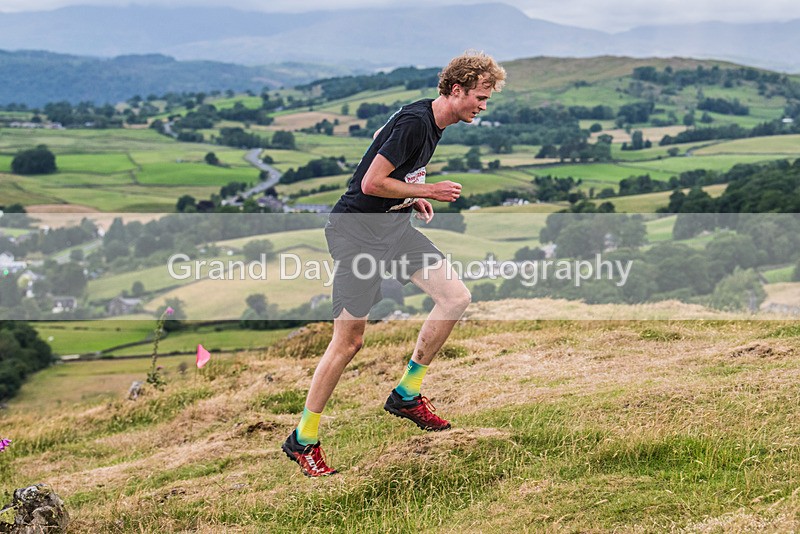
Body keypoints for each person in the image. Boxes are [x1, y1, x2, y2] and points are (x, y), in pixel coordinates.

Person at [282, 51, 506, 477]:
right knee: (348, 343)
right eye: (479, 97)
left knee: (455, 298)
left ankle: (407, 392)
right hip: (357, 235)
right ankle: (303, 439)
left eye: (486, 99)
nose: (482, 105)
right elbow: (369, 182)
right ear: (456, 90)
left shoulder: (433, 121)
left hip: (393, 230)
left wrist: (412, 194)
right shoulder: (416, 123)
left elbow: (386, 164)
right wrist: (433, 190)